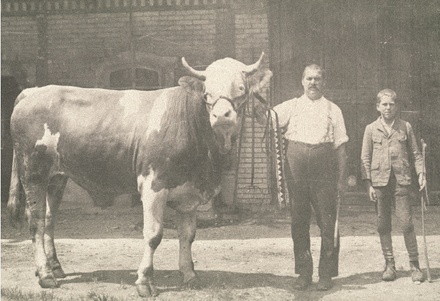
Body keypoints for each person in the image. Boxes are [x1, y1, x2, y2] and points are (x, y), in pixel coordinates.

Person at [257, 64, 349, 291]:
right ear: (302, 81)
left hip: (323, 166)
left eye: (317, 79)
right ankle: (304, 273)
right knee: (299, 221)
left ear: (324, 82)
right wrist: (255, 98)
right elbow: (266, 120)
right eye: (309, 78)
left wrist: (341, 179)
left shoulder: (333, 109)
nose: (313, 83)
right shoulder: (292, 106)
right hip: (296, 165)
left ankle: (326, 274)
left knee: (327, 222)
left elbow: (341, 149)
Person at [361, 89, 425, 283]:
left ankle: (414, 265)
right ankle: (390, 265)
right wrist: (368, 185)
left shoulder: (405, 127)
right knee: (383, 225)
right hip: (380, 182)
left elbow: (415, 154)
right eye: (384, 104)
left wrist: (421, 173)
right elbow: (365, 157)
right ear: (377, 106)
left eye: (391, 104)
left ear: (396, 106)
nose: (388, 108)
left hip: (401, 181)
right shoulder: (370, 129)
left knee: (406, 223)